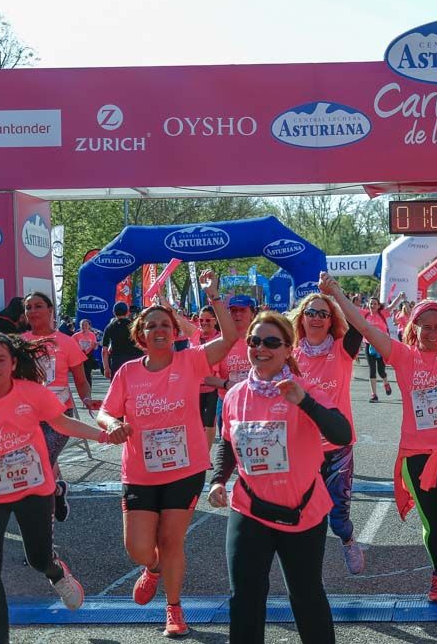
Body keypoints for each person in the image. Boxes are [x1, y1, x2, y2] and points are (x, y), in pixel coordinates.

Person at [321, 245, 437, 622]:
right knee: (431, 524)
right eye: (427, 327)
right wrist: (336, 293)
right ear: (414, 328)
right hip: (417, 454)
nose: (434, 333)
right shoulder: (402, 355)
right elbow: (365, 327)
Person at [97, 271, 237, 638]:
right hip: (139, 472)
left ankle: (174, 608)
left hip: (184, 469)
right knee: (138, 548)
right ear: (140, 336)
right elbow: (105, 411)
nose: (159, 330)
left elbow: (230, 338)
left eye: (165, 325)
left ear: (175, 332)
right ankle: (153, 567)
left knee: (172, 540)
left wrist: (214, 295)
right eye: (151, 325)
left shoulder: (190, 361)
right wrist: (113, 423)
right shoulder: (127, 373)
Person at [0, 332, 129, 644]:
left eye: (0, 360)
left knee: (38, 559)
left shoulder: (31, 393)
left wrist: (104, 436)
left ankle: (56, 572)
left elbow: (63, 423)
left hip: (33, 488)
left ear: (13, 363)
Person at [209, 311, 350, 644]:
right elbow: (228, 443)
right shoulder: (235, 395)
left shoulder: (305, 389)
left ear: (288, 349)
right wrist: (218, 480)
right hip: (250, 509)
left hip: (302, 512)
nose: (261, 348)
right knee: (245, 598)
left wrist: (305, 403)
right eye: (254, 341)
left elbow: (341, 433)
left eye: (271, 342)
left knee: (306, 596)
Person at [291, 291, 366, 574]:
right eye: (311, 312)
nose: (316, 318)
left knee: (337, 517)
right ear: (301, 318)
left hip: (337, 449)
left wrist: (335, 293)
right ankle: (309, 569)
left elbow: (359, 323)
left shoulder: (341, 349)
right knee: (306, 514)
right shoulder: (290, 355)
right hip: (302, 449)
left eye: (323, 313)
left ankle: (347, 539)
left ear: (331, 320)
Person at [22, 292, 99, 524]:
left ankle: (42, 524)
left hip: (59, 415)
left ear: (50, 310)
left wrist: (87, 399)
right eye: (28, 307)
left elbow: (81, 380)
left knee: (42, 459)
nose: (33, 311)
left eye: (38, 306)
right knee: (35, 462)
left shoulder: (66, 342)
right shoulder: (19, 343)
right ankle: (57, 490)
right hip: (27, 416)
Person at [190, 305, 224, 450]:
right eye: (201, 320)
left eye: (207, 320)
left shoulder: (221, 338)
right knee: (195, 423)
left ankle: (206, 454)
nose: (203, 323)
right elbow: (176, 318)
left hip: (213, 387)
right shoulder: (195, 334)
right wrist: (162, 299)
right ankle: (197, 452)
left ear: (215, 320)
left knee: (209, 423)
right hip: (194, 387)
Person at [362, 296, 394, 402]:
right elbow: (352, 311)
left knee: (381, 370)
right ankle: (374, 394)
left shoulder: (382, 314)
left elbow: (392, 306)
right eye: (371, 303)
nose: (372, 305)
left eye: (375, 304)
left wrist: (399, 297)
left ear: (379, 306)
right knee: (372, 369)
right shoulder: (365, 314)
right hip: (369, 345)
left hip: (381, 345)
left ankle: (386, 382)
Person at [102, 301, 143, 379]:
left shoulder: (109, 327)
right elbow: (141, 344)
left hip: (117, 362)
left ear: (114, 312)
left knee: (117, 385)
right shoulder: (134, 325)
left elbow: (104, 350)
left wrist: (106, 368)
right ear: (127, 312)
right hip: (133, 360)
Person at [72, 319, 99, 388]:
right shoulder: (76, 336)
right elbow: (71, 346)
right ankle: (81, 389)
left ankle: (89, 389)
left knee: (88, 373)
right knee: (80, 374)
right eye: (82, 325)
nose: (84, 326)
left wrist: (95, 345)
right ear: (80, 326)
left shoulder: (92, 335)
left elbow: (95, 348)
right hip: (79, 357)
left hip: (88, 356)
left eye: (86, 325)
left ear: (89, 326)